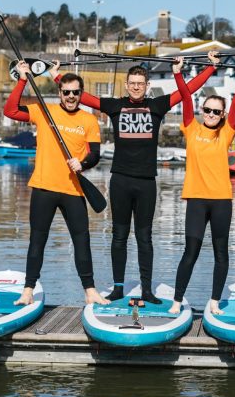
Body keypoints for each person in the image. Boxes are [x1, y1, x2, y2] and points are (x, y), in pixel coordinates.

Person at [78, 53, 219, 305]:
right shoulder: (114, 106)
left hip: (146, 183)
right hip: (120, 180)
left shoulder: (157, 105)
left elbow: (188, 91)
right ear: (126, 85)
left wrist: (210, 68)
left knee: (145, 237)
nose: (135, 87)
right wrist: (55, 74)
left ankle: (146, 290)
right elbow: (81, 96)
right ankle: (118, 288)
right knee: (119, 236)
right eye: (132, 83)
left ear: (147, 86)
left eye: (140, 83)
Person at [5, 61, 106, 307]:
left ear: (81, 94)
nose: (71, 96)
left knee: (82, 240)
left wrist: (83, 164)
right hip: (43, 187)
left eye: (75, 92)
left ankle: (90, 290)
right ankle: (28, 290)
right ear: (59, 92)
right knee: (37, 241)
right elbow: (10, 111)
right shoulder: (43, 111)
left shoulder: (89, 120)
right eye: (66, 92)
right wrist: (22, 79)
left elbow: (95, 154)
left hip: (73, 190)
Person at [168, 57, 235, 315]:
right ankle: (177, 299)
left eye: (216, 111)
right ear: (201, 110)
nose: (211, 114)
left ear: (223, 114)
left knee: (220, 253)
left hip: (221, 202)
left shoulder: (227, 132)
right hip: (196, 200)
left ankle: (214, 301)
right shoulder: (191, 128)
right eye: (207, 110)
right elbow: (184, 97)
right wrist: (178, 74)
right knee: (190, 251)